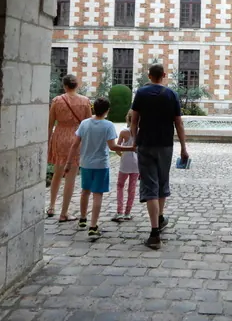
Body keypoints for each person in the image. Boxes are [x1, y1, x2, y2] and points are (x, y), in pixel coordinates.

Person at [130, 63, 189, 250]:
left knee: (150, 186)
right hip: (165, 145)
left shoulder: (141, 93)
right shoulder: (171, 95)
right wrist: (184, 147)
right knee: (162, 182)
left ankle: (155, 232)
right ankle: (160, 218)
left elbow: (134, 119)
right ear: (164, 75)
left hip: (146, 144)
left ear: (149, 76)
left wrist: (133, 140)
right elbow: (178, 123)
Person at [64, 97, 129, 237]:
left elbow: (75, 144)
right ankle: (93, 226)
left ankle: (82, 218)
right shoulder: (108, 125)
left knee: (85, 191)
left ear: (94, 108)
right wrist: (131, 148)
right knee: (97, 194)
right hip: (101, 164)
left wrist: (68, 162)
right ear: (107, 110)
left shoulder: (84, 123)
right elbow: (113, 146)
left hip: (86, 163)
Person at [47, 74, 92, 222]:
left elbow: (50, 124)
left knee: (57, 173)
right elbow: (88, 124)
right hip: (76, 138)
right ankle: (64, 212)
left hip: (59, 137)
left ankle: (51, 206)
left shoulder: (57, 101)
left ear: (64, 85)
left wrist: (48, 142)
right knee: (71, 178)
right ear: (76, 85)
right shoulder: (85, 101)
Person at [112, 110, 139, 222]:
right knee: (132, 188)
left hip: (125, 163)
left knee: (120, 186)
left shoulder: (124, 132)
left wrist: (121, 155)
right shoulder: (140, 132)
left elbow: (117, 148)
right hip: (137, 164)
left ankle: (119, 211)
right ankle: (128, 212)